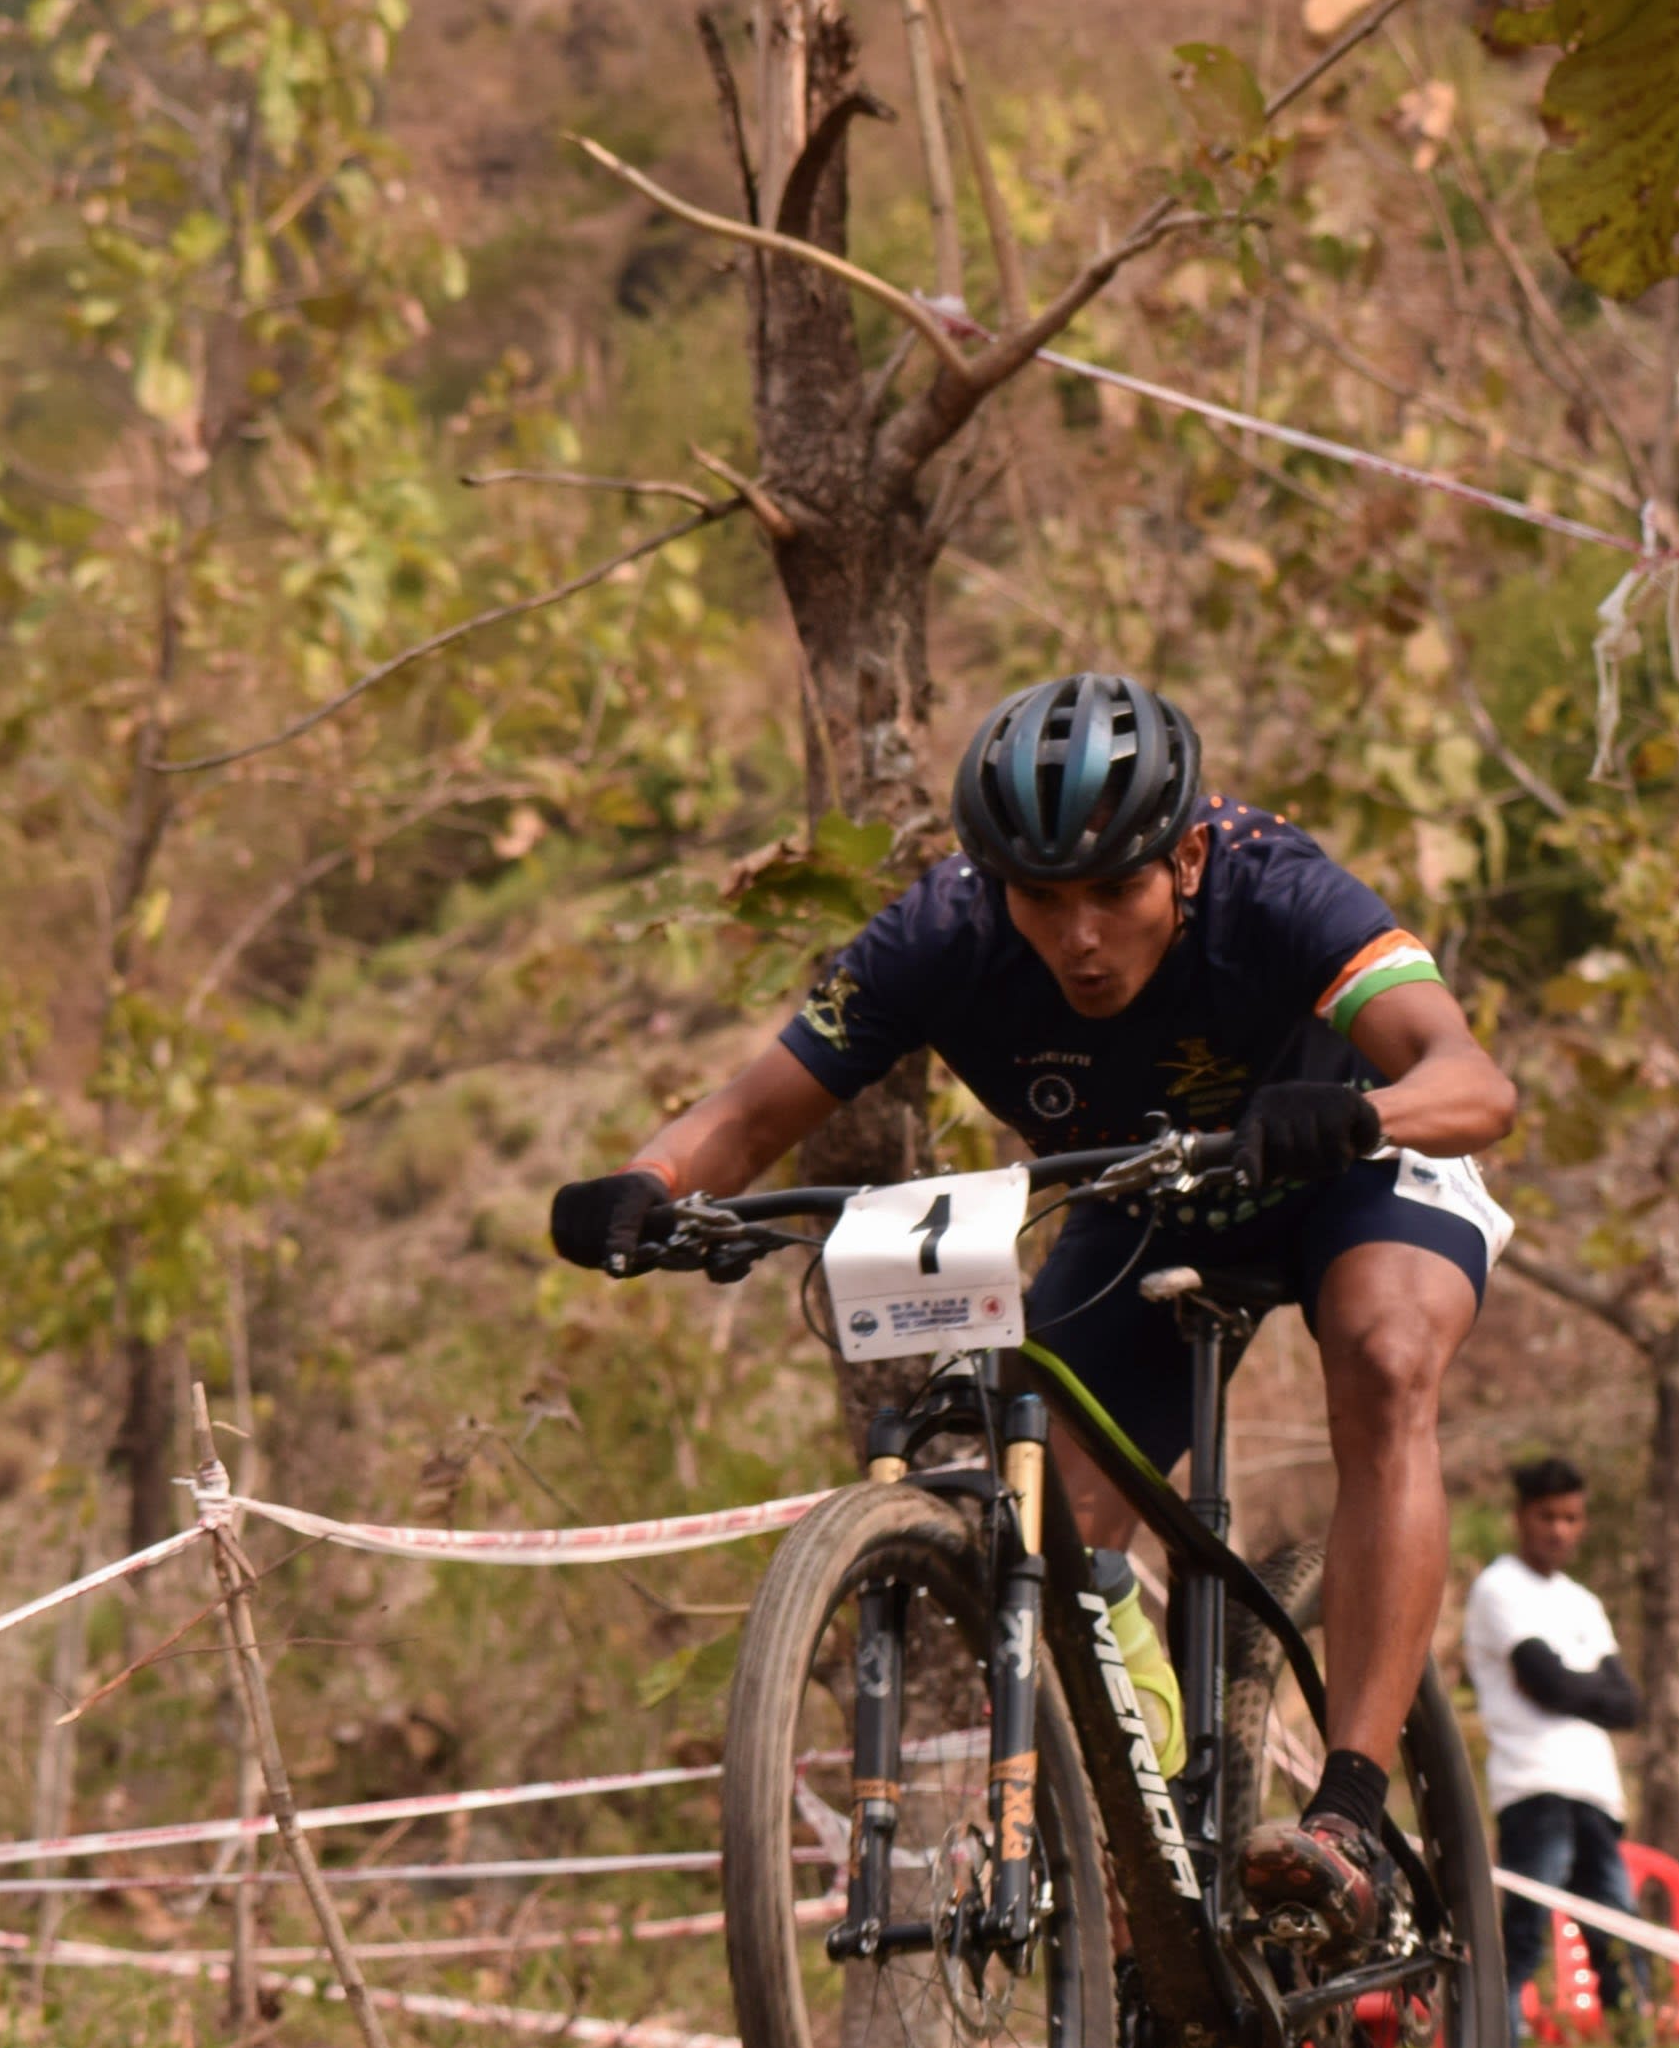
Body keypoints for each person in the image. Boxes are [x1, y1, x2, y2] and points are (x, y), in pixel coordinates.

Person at [552, 671, 1518, 1965]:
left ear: (1183, 857)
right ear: (990, 878)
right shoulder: (940, 932)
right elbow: (744, 1114)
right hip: (1147, 1194)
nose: (1078, 938)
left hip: (1347, 1158)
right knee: (1034, 1502)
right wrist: (644, 1188)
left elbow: (1471, 1079)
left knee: (1385, 1355)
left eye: (1114, 892)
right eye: (1040, 898)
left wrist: (1356, 1110)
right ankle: (1156, 1829)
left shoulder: (1274, 885)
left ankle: (1346, 1810)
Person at [1461, 1454, 1640, 2040]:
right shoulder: (1498, 1587)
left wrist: (1569, 1686)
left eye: (1571, 1518)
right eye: (1547, 1517)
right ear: (1520, 1518)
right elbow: (1549, 1680)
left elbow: (1629, 1704)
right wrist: (1578, 1686)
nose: (1559, 1530)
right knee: (1522, 1942)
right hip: (1533, 1785)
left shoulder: (1583, 1602)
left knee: (1620, 1947)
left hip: (1596, 1791)